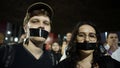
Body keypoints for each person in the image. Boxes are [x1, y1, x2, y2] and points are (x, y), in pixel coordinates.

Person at [0, 2, 54, 68]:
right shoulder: (5, 53)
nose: (41, 26)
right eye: (35, 21)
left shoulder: (52, 58)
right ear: (25, 28)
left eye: (46, 23)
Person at [54, 21, 120, 68]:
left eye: (92, 36)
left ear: (97, 42)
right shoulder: (63, 65)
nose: (87, 39)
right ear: (75, 40)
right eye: (81, 35)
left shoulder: (108, 63)